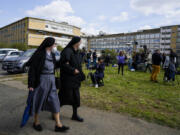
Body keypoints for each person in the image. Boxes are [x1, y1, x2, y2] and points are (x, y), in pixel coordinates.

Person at [27, 37, 69, 132]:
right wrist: (31, 85)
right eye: (54, 44)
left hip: (52, 80)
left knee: (55, 101)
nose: (55, 46)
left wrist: (63, 62)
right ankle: (36, 122)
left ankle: (58, 125)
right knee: (38, 101)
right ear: (49, 44)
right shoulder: (39, 54)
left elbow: (54, 66)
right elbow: (32, 70)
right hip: (41, 81)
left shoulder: (53, 54)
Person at [59, 36, 85, 122]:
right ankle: (55, 113)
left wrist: (81, 74)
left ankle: (75, 115)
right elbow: (63, 64)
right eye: (80, 42)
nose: (81, 43)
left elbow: (78, 65)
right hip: (67, 80)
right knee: (63, 98)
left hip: (75, 80)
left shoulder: (77, 52)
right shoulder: (67, 51)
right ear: (76, 42)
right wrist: (73, 70)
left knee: (76, 99)